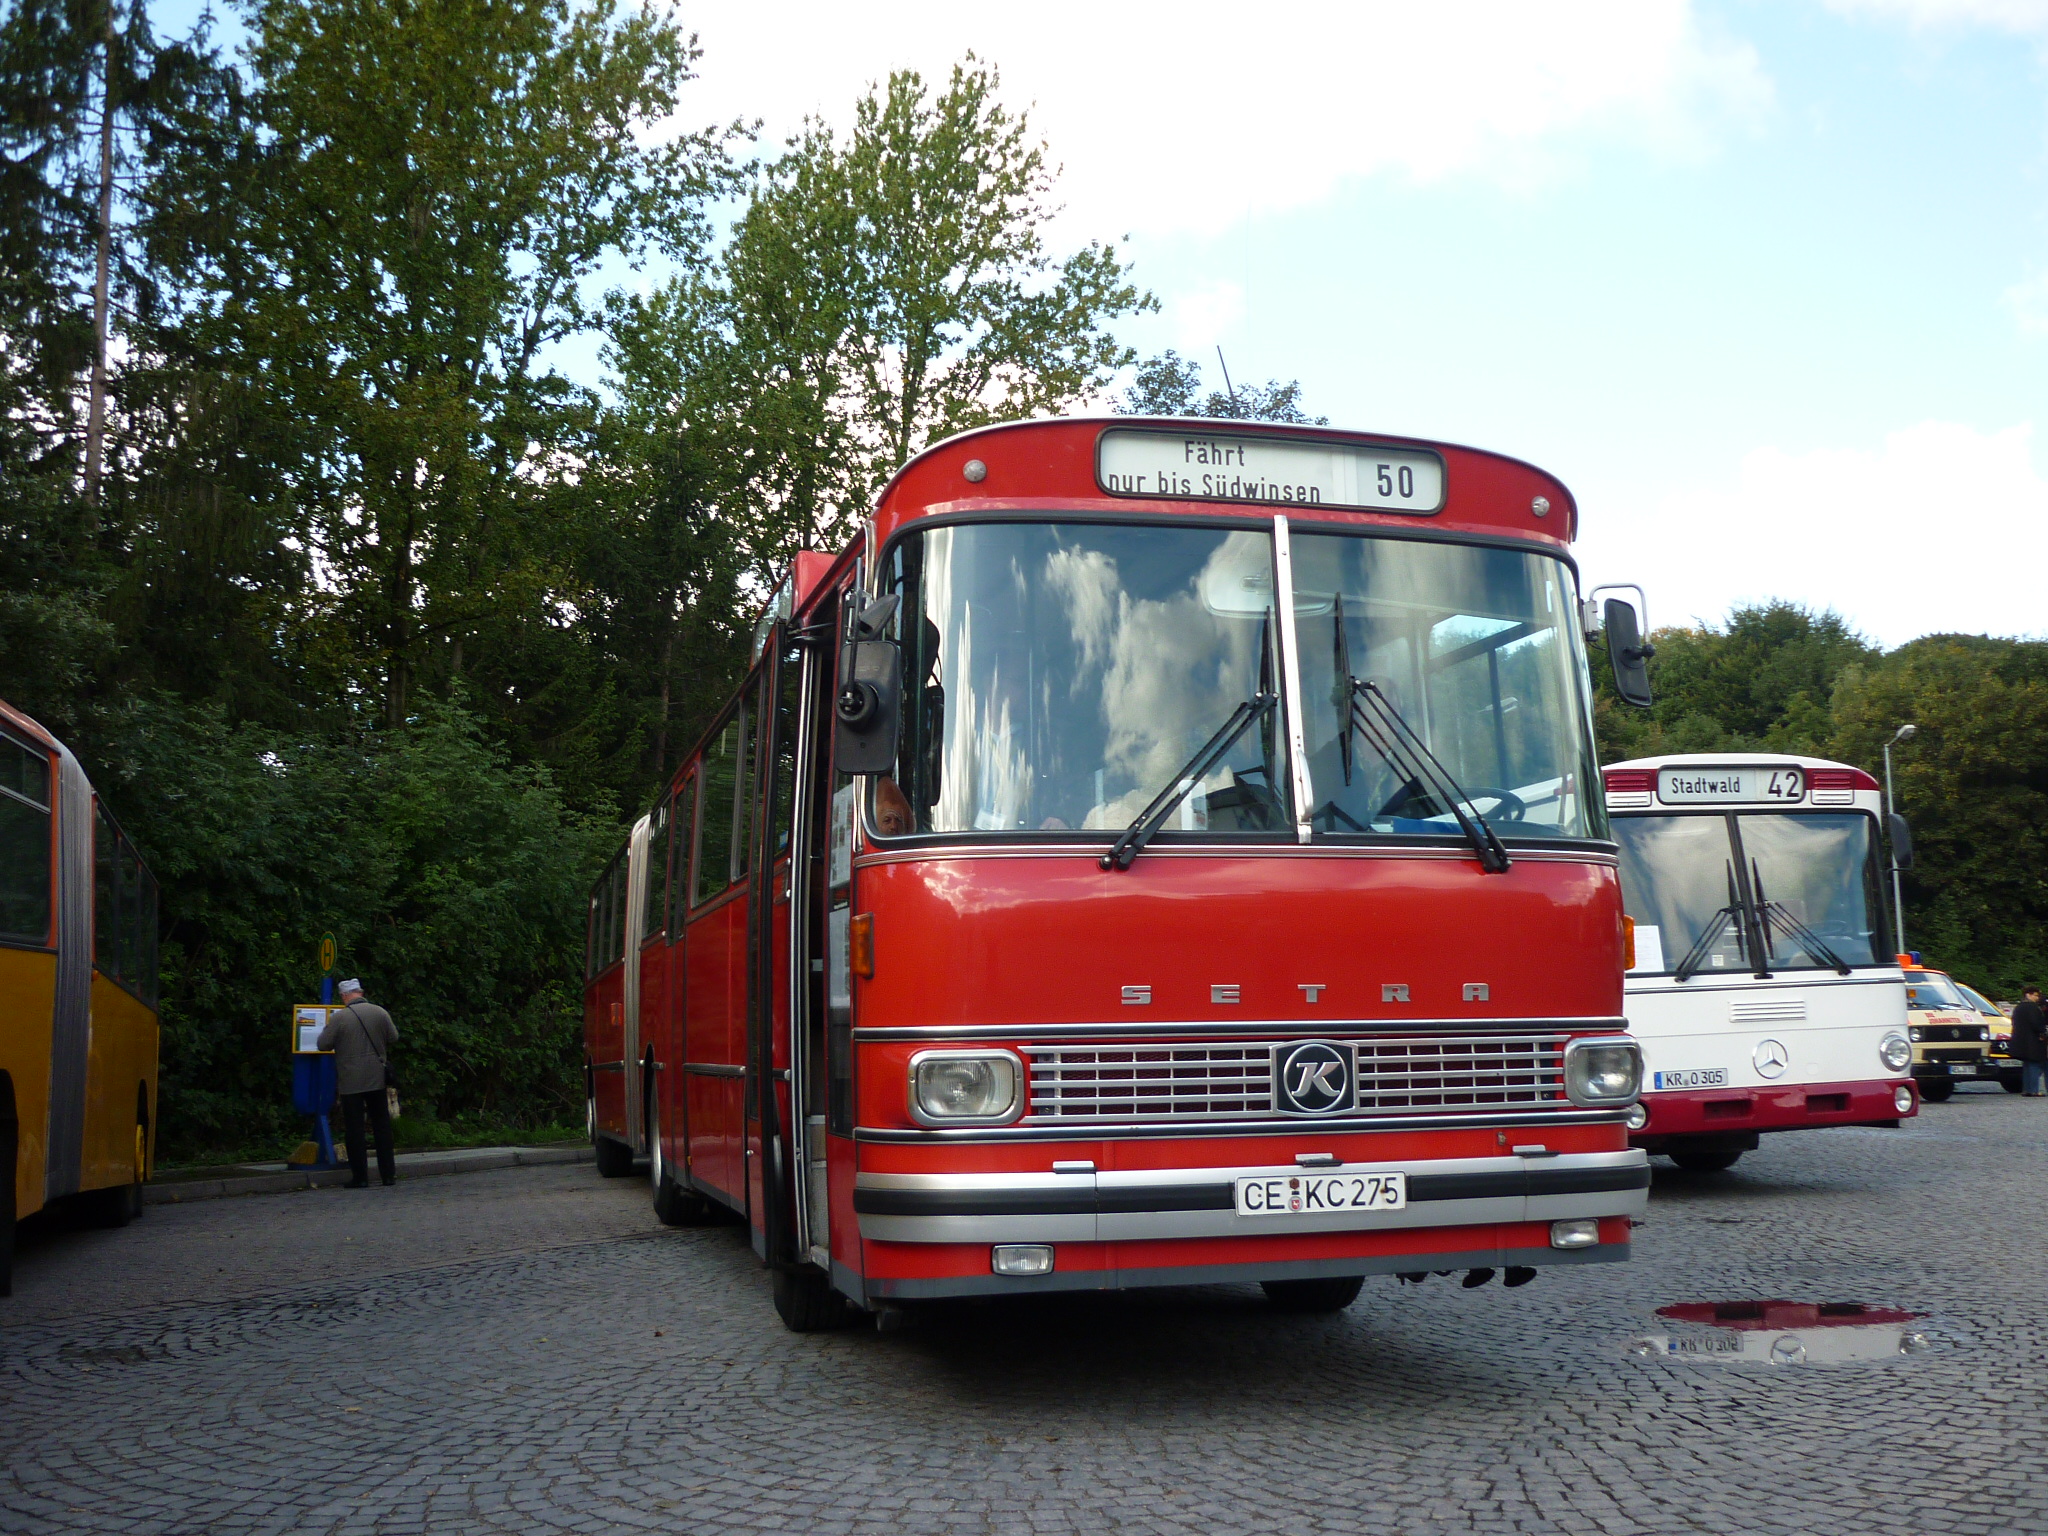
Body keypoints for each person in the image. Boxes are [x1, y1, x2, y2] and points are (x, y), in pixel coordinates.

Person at [316, 978, 399, 1185]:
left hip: (350, 1080)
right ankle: (388, 1175)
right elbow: (393, 1037)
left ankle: (360, 1177)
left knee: (355, 1129)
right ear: (360, 992)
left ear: (344, 996)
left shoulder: (340, 1018)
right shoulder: (380, 1012)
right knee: (382, 1126)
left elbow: (323, 1044)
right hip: (376, 1078)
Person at [2011, 986, 2048, 1097]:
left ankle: (2027, 1089)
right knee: (2034, 1065)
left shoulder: (2018, 1007)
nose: (2038, 998)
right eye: (2036, 995)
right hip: (2033, 1041)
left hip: (2021, 1041)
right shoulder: (2032, 1008)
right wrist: (2043, 1033)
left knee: (2027, 1065)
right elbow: (2037, 1024)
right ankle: (2034, 1090)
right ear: (2028, 994)